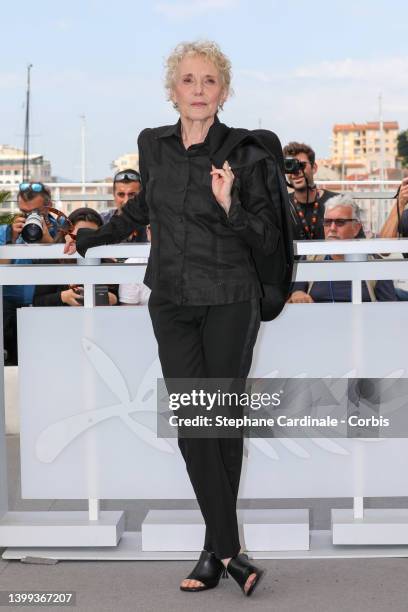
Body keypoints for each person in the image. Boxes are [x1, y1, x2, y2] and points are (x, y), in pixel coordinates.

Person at [65, 40, 291, 597]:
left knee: (220, 421)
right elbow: (147, 206)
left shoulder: (247, 154)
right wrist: (99, 236)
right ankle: (230, 549)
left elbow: (267, 235)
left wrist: (229, 204)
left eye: (208, 81)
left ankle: (214, 553)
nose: (197, 90)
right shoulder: (153, 145)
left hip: (230, 298)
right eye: (188, 81)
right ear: (173, 91)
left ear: (224, 92)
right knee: (194, 418)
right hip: (170, 298)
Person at [288, 194, 396, 303]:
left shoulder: (376, 266)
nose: (332, 228)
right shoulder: (310, 260)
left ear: (356, 228)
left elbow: (391, 311)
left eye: (340, 222)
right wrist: (298, 294)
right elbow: (296, 294)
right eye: (327, 222)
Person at [0, 182, 59, 364]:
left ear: (48, 207)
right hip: (9, 302)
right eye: (24, 213)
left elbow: (66, 266)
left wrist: (50, 243)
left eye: (36, 212)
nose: (30, 218)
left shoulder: (62, 226)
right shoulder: (7, 230)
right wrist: (11, 240)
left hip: (45, 300)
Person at [33, 208, 118, 307]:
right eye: (80, 235)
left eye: (92, 235)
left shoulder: (108, 262)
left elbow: (123, 298)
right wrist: (63, 297)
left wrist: (113, 299)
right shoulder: (53, 260)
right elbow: (38, 301)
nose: (86, 240)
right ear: (67, 234)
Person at [283, 142, 338, 240]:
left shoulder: (337, 202)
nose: (296, 172)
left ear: (314, 168)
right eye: (290, 166)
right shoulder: (282, 205)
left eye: (302, 165)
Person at [101, 169, 147, 242]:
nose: (126, 201)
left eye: (132, 195)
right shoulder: (101, 222)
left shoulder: (154, 225)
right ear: (114, 195)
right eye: (121, 194)